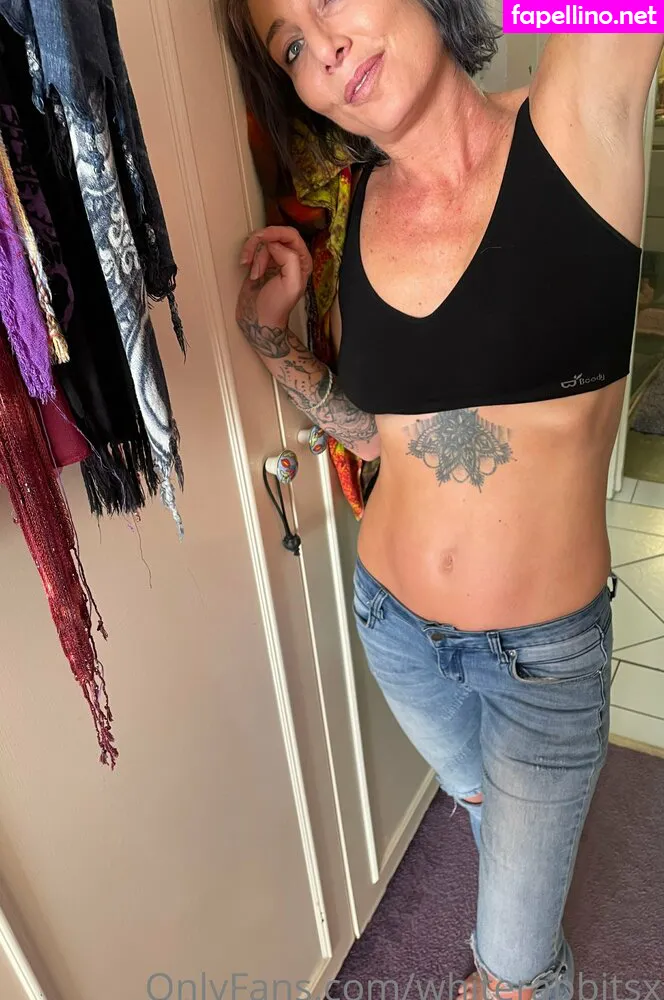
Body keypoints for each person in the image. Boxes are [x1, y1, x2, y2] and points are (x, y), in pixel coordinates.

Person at [224, 0, 663, 997]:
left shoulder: (571, 123)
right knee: (485, 818)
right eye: (291, 47)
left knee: (511, 967)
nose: (323, 46)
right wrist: (271, 339)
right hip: (395, 634)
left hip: (542, 669)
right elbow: (381, 438)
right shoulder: (358, 209)